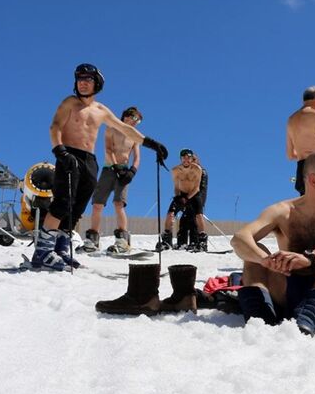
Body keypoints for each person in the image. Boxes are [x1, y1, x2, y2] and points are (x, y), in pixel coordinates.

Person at [32, 63, 167, 270]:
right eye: (80, 79)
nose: (83, 83)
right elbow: (55, 127)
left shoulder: (101, 110)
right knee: (62, 202)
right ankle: (42, 252)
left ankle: (60, 249)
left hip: (90, 161)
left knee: (76, 208)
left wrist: (151, 143)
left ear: (97, 84)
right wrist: (60, 151)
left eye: (88, 80)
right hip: (69, 155)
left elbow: (125, 128)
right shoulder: (70, 102)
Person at [231, 152, 315, 336]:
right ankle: (260, 316)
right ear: (313, 181)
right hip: (288, 289)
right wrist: (265, 260)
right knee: (254, 253)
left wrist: (310, 258)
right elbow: (239, 238)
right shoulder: (283, 211)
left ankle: (308, 319)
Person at [83, 106, 143, 253]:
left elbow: (137, 157)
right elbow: (108, 149)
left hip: (124, 171)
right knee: (97, 204)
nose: (136, 123)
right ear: (127, 117)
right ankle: (92, 240)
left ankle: (122, 240)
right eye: (135, 119)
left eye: (139, 121)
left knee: (119, 203)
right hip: (109, 169)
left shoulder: (135, 135)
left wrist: (132, 171)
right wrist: (115, 166)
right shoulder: (111, 129)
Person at [156, 149, 205, 251]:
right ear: (180, 159)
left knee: (199, 215)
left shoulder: (197, 170)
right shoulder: (175, 170)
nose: (186, 160)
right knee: (170, 214)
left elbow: (197, 187)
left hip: (194, 195)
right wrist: (179, 197)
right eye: (184, 158)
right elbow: (176, 186)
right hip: (181, 195)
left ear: (192, 158)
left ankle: (202, 242)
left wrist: (187, 198)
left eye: (188, 158)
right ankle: (167, 240)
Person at [177, 153, 208, 250]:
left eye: (193, 159)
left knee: (194, 219)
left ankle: (196, 242)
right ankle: (182, 243)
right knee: (185, 219)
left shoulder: (201, 171)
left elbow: (200, 188)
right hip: (189, 199)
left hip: (197, 198)